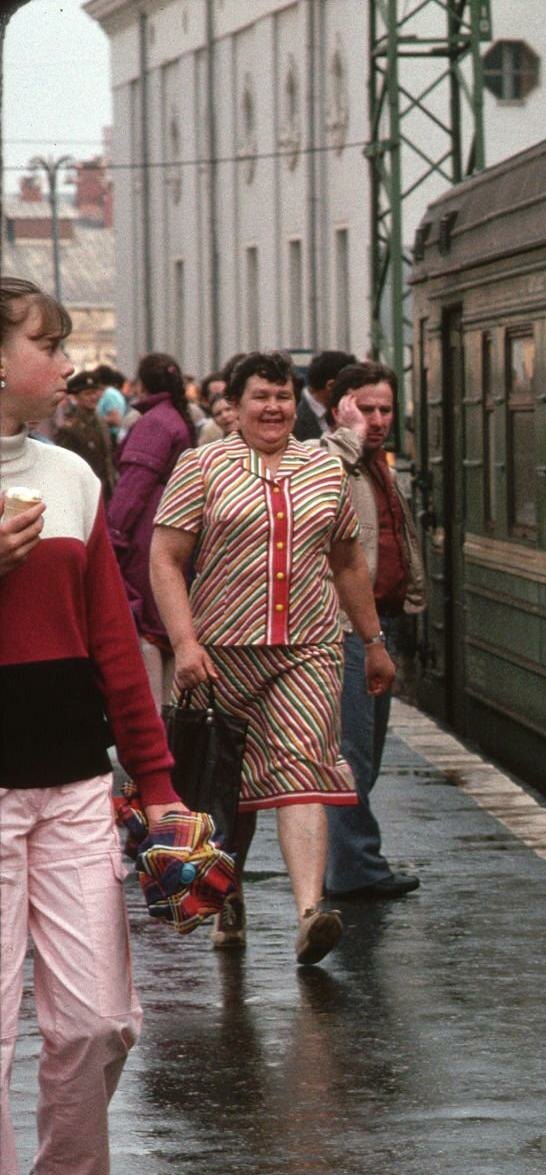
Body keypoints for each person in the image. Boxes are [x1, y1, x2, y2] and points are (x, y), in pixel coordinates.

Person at [0, 276, 187, 1175]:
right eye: (51, 343)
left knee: (102, 1017)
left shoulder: (72, 473)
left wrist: (156, 786)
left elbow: (113, 640)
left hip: (73, 782)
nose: (69, 363)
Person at [147, 350, 396, 967]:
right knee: (225, 790)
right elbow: (166, 559)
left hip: (308, 650)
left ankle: (311, 913)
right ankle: (224, 899)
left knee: (301, 772)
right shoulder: (202, 467)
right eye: (261, 396)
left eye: (283, 397)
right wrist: (184, 644)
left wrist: (372, 642)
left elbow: (346, 563)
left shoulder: (323, 469)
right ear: (233, 405)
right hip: (220, 653)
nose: (274, 408)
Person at [318, 363, 424, 900]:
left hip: (378, 622)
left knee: (368, 750)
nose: (379, 419)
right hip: (344, 628)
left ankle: (350, 860)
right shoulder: (330, 459)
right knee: (353, 754)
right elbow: (318, 487)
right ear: (342, 408)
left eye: (386, 408)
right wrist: (347, 436)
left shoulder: (378, 466)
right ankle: (355, 868)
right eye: (367, 408)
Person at [107, 354, 197, 710]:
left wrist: (111, 536)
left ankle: (154, 722)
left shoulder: (154, 423)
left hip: (146, 529)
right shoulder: (175, 418)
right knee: (164, 628)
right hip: (171, 523)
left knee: (147, 627)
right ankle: (169, 721)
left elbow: (133, 486)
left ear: (141, 383)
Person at [52, 370, 117, 499]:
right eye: (87, 394)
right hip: (82, 492)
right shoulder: (69, 428)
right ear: (75, 397)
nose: (93, 398)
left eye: (95, 393)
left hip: (105, 491)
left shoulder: (101, 422)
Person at [294, 350, 356, 443]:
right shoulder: (293, 417)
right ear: (331, 385)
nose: (355, 392)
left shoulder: (347, 412)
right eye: (352, 385)